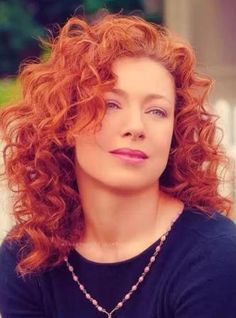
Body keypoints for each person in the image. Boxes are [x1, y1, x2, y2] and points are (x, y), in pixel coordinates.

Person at [0, 12, 236, 318]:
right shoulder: (26, 255)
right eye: (111, 104)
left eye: (157, 111)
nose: (136, 126)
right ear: (66, 121)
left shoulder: (214, 255)